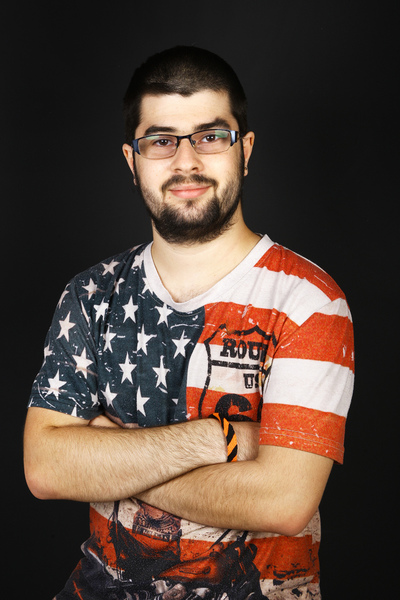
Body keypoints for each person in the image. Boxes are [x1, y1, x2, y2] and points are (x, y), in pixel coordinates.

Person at [24, 46, 354, 599]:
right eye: (161, 141)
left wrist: (111, 458)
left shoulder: (309, 302)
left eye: (210, 136)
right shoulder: (90, 294)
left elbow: (283, 502)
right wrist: (220, 437)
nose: (186, 162)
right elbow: (45, 468)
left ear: (245, 151)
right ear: (131, 160)